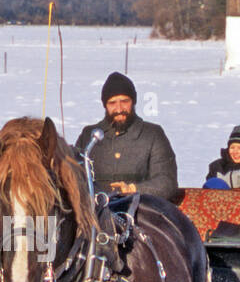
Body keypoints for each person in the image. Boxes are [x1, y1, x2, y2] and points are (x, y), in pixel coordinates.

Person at [76, 72, 179, 201]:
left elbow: (167, 183)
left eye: (124, 101)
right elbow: (74, 175)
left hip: (141, 210)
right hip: (95, 211)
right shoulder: (90, 136)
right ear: (105, 105)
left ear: (133, 101)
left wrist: (132, 189)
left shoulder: (152, 134)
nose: (119, 109)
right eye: (112, 103)